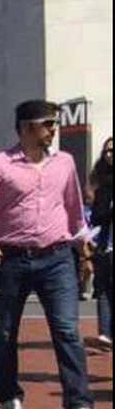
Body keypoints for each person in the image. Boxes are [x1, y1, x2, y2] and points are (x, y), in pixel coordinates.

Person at [0, 99, 103, 409]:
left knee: (68, 330)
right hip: (12, 258)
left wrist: (83, 241)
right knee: (7, 331)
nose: (54, 130)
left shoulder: (65, 162)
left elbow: (73, 208)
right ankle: (9, 397)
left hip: (57, 258)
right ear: (26, 128)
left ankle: (78, 406)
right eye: (48, 124)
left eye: (54, 124)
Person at [89, 136, 113, 350]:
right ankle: (105, 332)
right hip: (106, 245)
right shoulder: (102, 184)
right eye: (107, 151)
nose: (109, 154)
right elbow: (96, 216)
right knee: (103, 288)